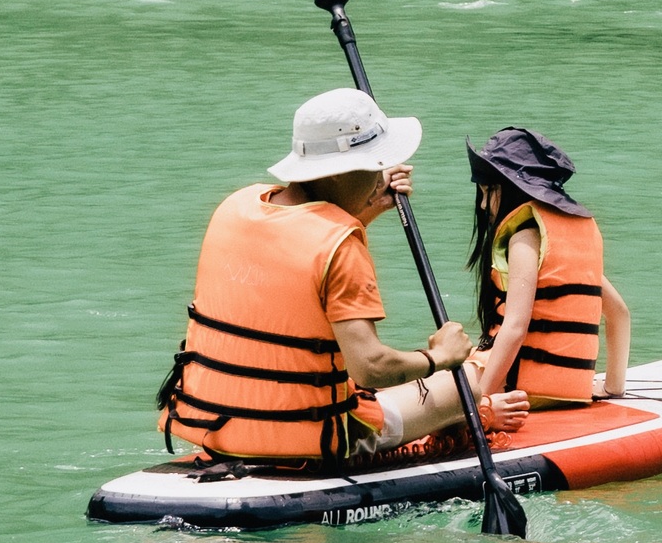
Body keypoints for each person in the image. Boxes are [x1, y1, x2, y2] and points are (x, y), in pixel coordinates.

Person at [152, 86, 490, 468]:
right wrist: (438, 357)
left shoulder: (235, 206)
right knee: (468, 388)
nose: (381, 174)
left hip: (216, 424)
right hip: (315, 439)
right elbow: (371, 368)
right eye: (375, 165)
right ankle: (472, 417)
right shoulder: (340, 244)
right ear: (339, 172)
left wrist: (361, 212)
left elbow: (295, 267)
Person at [466, 125, 628, 406]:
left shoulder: (525, 237)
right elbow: (619, 313)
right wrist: (612, 387)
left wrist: (483, 401)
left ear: (514, 189)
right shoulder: (571, 234)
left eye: (489, 191)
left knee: (419, 386)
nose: (482, 205)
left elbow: (515, 327)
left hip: (515, 388)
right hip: (570, 395)